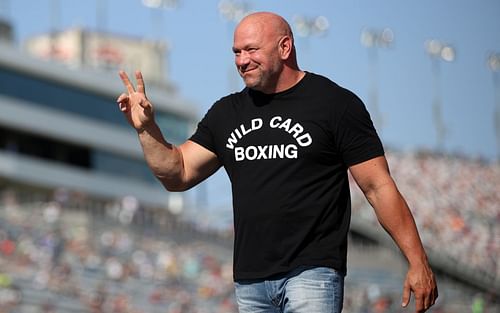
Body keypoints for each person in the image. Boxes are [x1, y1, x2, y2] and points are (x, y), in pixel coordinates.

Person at [116, 11, 438, 313]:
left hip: (312, 273)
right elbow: (178, 173)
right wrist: (146, 130)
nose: (242, 61)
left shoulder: (335, 104)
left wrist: (417, 260)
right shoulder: (226, 113)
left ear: (285, 47)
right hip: (250, 280)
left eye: (251, 50)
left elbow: (378, 186)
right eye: (236, 52)